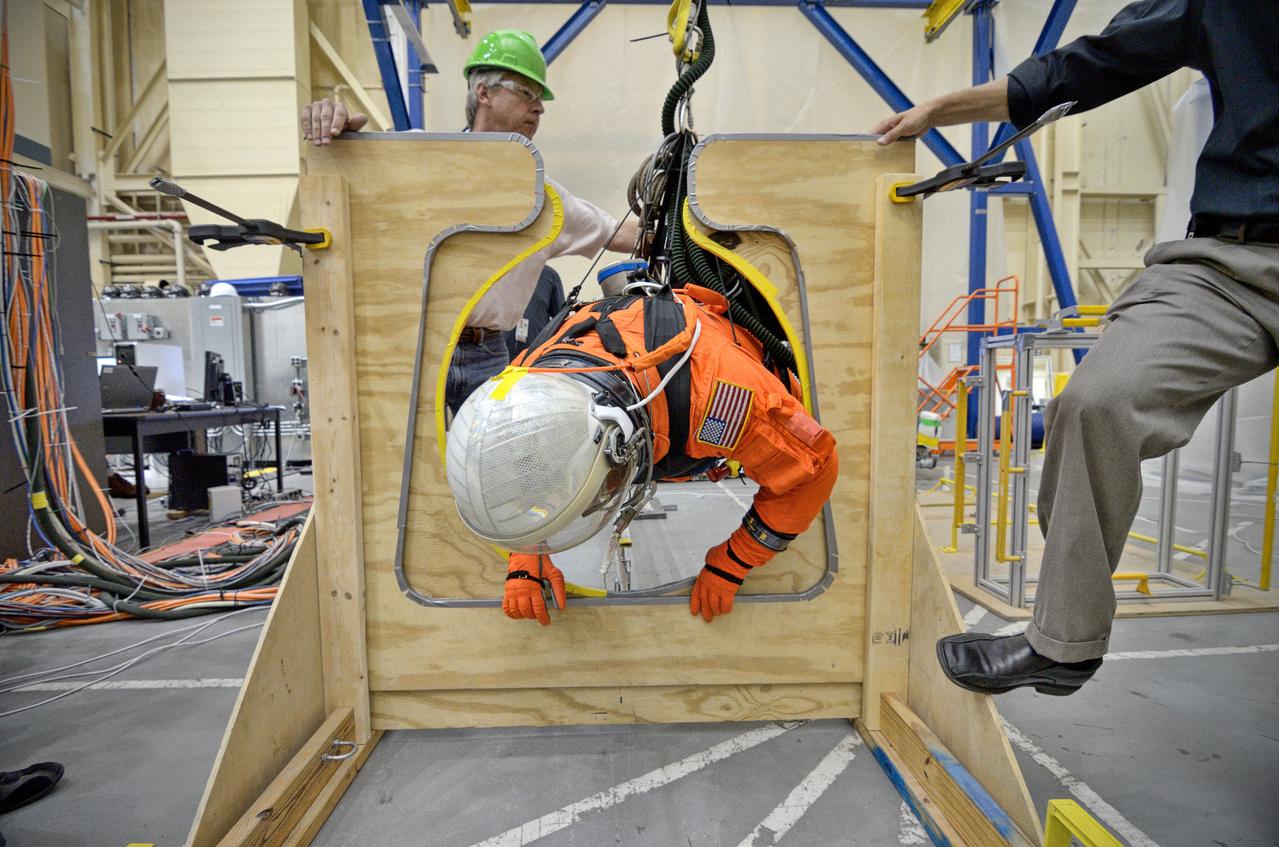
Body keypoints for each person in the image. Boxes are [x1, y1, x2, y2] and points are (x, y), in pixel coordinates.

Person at [873, 0, 1278, 696]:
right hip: (1232, 259)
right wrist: (942, 109)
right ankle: (1062, 641)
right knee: (1093, 402)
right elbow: (1092, 62)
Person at [445, 273, 838, 625]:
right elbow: (514, 470)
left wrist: (733, 561)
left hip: (703, 378)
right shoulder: (529, 387)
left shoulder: (722, 397)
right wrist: (525, 553)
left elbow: (815, 468)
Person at [299, 29, 640, 416]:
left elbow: (625, 234)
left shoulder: (546, 201)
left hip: (491, 354)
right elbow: (350, 176)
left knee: (492, 471)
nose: (539, 108)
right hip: (416, 347)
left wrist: (686, 211)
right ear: (484, 93)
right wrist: (332, 126)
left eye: (540, 100)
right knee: (409, 473)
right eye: (526, 92)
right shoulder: (416, 160)